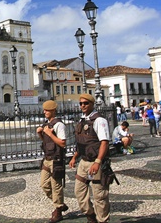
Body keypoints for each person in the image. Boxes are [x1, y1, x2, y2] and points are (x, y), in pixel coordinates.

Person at [69, 93, 111, 223]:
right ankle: (90, 215)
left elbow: (104, 142)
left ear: (92, 104)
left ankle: (103, 220)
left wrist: (98, 162)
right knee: (79, 192)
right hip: (84, 161)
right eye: (81, 103)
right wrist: (74, 157)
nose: (83, 105)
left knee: (99, 196)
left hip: (96, 162)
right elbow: (82, 142)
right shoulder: (83, 120)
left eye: (86, 103)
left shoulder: (99, 121)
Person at [37, 100, 69, 223]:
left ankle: (58, 211)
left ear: (53, 111)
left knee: (56, 186)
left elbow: (62, 143)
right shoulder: (47, 123)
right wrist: (41, 133)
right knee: (44, 184)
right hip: (47, 158)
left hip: (56, 159)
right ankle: (60, 204)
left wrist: (49, 133)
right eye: (44, 110)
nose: (45, 112)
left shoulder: (59, 125)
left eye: (47, 110)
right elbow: (46, 141)